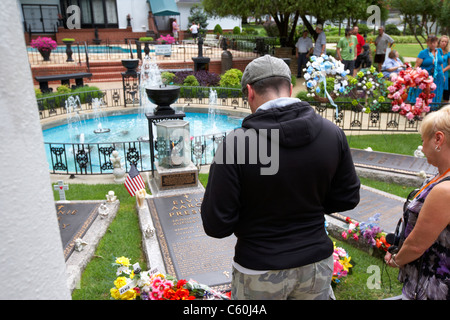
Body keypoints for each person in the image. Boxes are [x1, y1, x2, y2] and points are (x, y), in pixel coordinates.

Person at [201, 55, 361, 300]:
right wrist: (309, 204)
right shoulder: (332, 133)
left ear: (250, 91)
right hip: (316, 262)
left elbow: (216, 224)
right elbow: (347, 198)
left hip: (259, 267)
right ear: (289, 87)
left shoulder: (236, 144)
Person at [384, 105, 450, 300]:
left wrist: (396, 260)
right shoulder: (440, 176)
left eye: (423, 140)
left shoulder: (444, 191)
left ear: (438, 139)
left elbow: (417, 245)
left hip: (434, 288)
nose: (421, 147)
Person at [407, 35, 445, 108]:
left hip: (438, 77)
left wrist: (442, 74)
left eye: (435, 43)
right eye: (431, 43)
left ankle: (433, 110)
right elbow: (416, 66)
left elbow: (441, 63)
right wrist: (414, 77)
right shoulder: (423, 53)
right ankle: (421, 109)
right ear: (427, 43)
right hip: (426, 78)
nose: (433, 45)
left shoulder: (439, 51)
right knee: (424, 94)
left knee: (436, 93)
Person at [439, 35, 450, 103]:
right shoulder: (435, 51)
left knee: (446, 93)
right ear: (439, 42)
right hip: (436, 73)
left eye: (445, 42)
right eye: (442, 41)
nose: (444, 43)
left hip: (445, 74)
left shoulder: (448, 53)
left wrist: (442, 71)